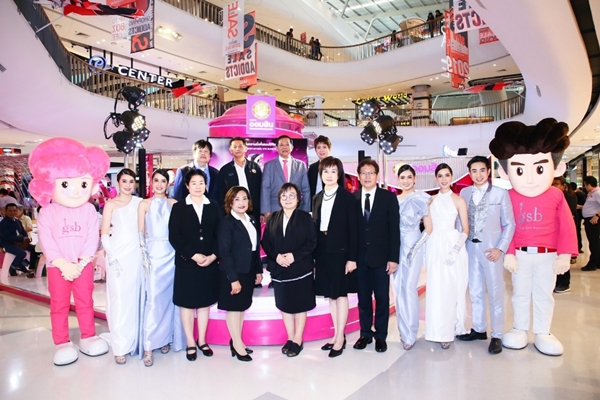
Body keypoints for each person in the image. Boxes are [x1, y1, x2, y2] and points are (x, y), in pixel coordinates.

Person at [489, 118, 577, 356]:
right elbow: (506, 226)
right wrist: (509, 253)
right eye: (519, 170)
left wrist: (565, 254)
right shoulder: (509, 196)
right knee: (519, 293)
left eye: (539, 168)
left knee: (543, 294)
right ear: (506, 171)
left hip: (548, 256)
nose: (529, 179)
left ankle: (542, 331)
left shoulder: (556, 195)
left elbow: (567, 226)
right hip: (521, 255)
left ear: (556, 168)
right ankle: (519, 327)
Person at [29, 137, 110, 366]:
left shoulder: (89, 210)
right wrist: (63, 263)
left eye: (83, 184)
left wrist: (82, 261)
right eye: (66, 184)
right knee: (59, 304)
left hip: (83, 265)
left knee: (85, 301)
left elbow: (92, 237)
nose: (75, 191)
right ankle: (62, 342)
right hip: (58, 267)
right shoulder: (47, 212)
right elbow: (46, 240)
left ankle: (88, 336)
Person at [457, 156, 515, 355]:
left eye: (482, 170)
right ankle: (479, 328)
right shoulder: (464, 193)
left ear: (488, 172)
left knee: (496, 292)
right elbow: (460, 221)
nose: (478, 175)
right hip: (470, 249)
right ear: (469, 173)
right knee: (475, 291)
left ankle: (497, 334)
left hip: (492, 251)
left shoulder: (500, 193)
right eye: (474, 171)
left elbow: (509, 223)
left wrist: (500, 248)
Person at [169, 169, 220, 362]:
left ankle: (202, 340)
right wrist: (193, 255)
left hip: (209, 262)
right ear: (187, 186)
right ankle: (191, 342)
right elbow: (174, 237)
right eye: (194, 183)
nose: (198, 186)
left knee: (205, 304)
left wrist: (213, 256)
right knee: (188, 304)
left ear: (206, 185)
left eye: (201, 183)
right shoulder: (179, 207)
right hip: (186, 264)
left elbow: (220, 234)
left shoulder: (213, 206)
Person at [262, 183, 317, 357]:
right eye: (284, 196)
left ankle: (298, 339)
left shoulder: (305, 217)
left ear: (298, 198)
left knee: (300, 305)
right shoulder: (273, 218)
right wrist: (276, 257)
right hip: (279, 268)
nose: (287, 199)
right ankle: (290, 337)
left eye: (291, 195)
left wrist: (294, 256)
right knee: (284, 305)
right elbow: (266, 242)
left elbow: (312, 242)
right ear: (279, 199)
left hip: (300, 267)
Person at [312, 156, 358, 358]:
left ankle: (340, 337)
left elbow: (353, 231)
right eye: (325, 171)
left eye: (333, 171)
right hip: (322, 251)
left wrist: (352, 258)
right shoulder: (317, 198)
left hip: (341, 252)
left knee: (340, 295)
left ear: (339, 174)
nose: (329, 175)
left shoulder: (348, 198)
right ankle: (336, 334)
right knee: (330, 295)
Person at [137, 169, 184, 367]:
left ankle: (165, 338)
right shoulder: (144, 204)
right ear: (151, 182)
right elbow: (140, 233)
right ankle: (149, 345)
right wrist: (145, 257)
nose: (159, 184)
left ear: (168, 184)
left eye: (163, 181)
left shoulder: (174, 204)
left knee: (171, 300)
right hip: (153, 255)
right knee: (154, 300)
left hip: (172, 254)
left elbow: (180, 232)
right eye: (156, 180)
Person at [353, 159, 399, 353]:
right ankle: (365, 333)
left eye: (371, 172)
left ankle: (380, 336)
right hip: (359, 259)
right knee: (363, 299)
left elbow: (394, 230)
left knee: (382, 299)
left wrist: (393, 258)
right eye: (363, 173)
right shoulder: (353, 198)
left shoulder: (388, 198)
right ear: (358, 176)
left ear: (377, 175)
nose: (367, 176)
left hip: (381, 259)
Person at [424, 163, 469, 350]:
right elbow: (428, 228)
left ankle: (449, 331)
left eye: (447, 175)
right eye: (440, 175)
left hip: (452, 244)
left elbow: (466, 229)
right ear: (436, 178)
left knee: (451, 289)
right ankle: (436, 331)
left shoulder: (459, 200)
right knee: (436, 289)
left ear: (451, 177)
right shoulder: (430, 201)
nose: (443, 179)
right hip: (434, 245)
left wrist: (455, 249)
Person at [101, 169, 143, 365]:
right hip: (117, 256)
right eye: (124, 181)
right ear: (118, 183)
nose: (128, 185)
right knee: (118, 299)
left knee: (134, 299)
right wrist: (111, 255)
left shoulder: (140, 202)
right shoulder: (111, 204)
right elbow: (104, 234)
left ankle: (134, 341)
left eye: (131, 181)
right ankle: (120, 346)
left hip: (136, 255)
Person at [218, 186, 263, 361]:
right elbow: (225, 252)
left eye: (244, 198)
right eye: (237, 199)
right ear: (230, 202)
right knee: (233, 309)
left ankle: (238, 341)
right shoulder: (227, 222)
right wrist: (233, 279)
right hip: (233, 272)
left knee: (241, 307)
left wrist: (258, 270)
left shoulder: (251, 220)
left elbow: (255, 248)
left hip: (248, 270)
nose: (241, 202)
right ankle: (237, 345)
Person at [394, 165, 431, 350]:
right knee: (397, 289)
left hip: (414, 246)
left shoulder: (422, 198)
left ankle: (411, 332)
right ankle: (403, 330)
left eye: (409, 177)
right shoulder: (394, 200)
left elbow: (429, 228)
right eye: (403, 177)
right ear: (398, 179)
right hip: (396, 247)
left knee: (409, 288)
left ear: (415, 178)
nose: (406, 181)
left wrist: (415, 248)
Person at [261, 135, 311, 219]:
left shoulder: (301, 165)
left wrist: (306, 209)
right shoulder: (269, 165)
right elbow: (265, 189)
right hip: (275, 208)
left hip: (296, 208)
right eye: (281, 145)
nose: (284, 147)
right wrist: (266, 211)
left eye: (287, 144)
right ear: (276, 148)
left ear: (292, 147)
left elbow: (306, 189)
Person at [217, 137, 263, 223]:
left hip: (253, 209)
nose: (237, 149)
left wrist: (262, 212)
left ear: (246, 148)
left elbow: (261, 189)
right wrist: (223, 213)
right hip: (233, 210)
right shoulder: (225, 170)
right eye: (234, 147)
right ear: (230, 150)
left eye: (240, 146)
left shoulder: (255, 167)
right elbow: (221, 193)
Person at [551, 176, 576, 293]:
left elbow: (569, 216)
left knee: (563, 256)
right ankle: (556, 282)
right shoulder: (550, 196)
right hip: (552, 233)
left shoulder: (568, 197)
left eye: (556, 184)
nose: (553, 187)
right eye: (552, 184)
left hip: (563, 231)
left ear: (563, 186)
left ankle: (564, 284)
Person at [0, 203, 37, 277]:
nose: (12, 212)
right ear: (5, 211)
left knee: (35, 249)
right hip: (8, 244)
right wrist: (21, 238)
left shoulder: (17, 221)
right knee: (22, 253)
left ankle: (31, 267)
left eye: (14, 210)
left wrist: (25, 238)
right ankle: (13, 266)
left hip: (20, 243)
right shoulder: (3, 223)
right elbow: (7, 237)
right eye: (10, 211)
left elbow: (24, 232)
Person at [308, 135, 344, 203]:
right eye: (319, 147)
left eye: (324, 147)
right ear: (315, 150)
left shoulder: (336, 165)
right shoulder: (312, 168)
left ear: (329, 149)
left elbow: (341, 185)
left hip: (333, 201)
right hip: (315, 203)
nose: (321, 150)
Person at [581, 175, 600, 272]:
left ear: (588, 184)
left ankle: (592, 263)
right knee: (594, 242)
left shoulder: (597, 193)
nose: (585, 187)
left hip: (593, 220)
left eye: (585, 185)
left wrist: (597, 215)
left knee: (594, 242)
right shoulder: (592, 193)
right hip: (589, 220)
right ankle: (598, 262)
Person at [571, 182, 585, 253]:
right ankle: (579, 247)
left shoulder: (572, 196)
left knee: (575, 231)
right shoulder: (580, 194)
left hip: (575, 214)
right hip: (579, 214)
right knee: (578, 230)